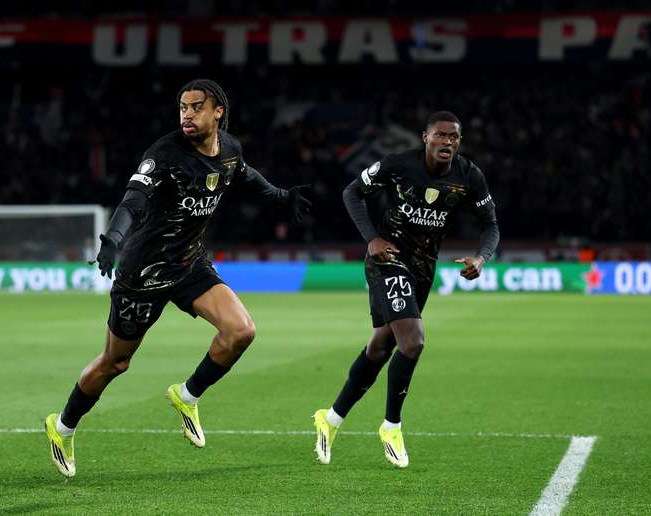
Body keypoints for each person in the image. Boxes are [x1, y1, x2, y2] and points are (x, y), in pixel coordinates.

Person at [43, 79, 311, 478]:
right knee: (115, 363)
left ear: (217, 111)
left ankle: (187, 396)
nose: (186, 114)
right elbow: (133, 200)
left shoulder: (230, 149)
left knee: (241, 331)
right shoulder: (165, 154)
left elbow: (246, 175)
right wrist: (113, 239)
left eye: (195, 107)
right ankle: (62, 426)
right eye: (182, 108)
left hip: (188, 264)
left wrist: (282, 197)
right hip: (143, 273)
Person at [313, 111, 499, 468]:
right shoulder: (398, 165)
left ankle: (331, 418)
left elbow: (490, 224)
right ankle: (391, 426)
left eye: (454, 137)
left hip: (423, 268)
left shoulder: (469, 176)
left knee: (381, 346)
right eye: (441, 135)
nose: (448, 142)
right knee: (413, 341)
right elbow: (352, 192)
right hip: (387, 258)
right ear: (425, 137)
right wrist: (372, 238)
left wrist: (482, 257)